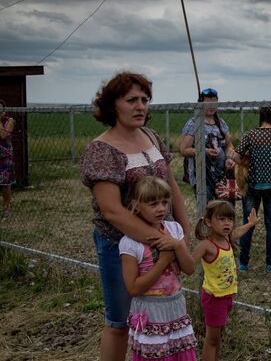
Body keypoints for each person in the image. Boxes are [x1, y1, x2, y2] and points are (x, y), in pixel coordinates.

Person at [80, 72, 190, 361]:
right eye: (131, 100)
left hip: (163, 243)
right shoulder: (102, 150)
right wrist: (163, 242)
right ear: (112, 105)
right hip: (121, 247)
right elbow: (112, 210)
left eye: (145, 99)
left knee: (156, 316)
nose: (141, 106)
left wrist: (184, 236)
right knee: (120, 321)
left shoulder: (151, 136)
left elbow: (172, 185)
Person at [118, 177, 196, 361]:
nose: (161, 208)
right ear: (136, 206)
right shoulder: (129, 244)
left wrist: (178, 246)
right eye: (153, 204)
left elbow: (190, 268)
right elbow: (133, 288)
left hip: (176, 308)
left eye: (164, 202)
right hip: (150, 313)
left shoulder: (174, 230)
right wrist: (163, 261)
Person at [192, 200, 259, 361]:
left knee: (217, 337)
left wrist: (250, 224)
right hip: (214, 298)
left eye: (230, 219)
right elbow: (188, 263)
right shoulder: (207, 245)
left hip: (226, 297)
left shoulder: (226, 239)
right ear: (208, 221)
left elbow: (238, 232)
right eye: (221, 219)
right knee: (212, 339)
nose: (227, 223)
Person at [231, 106, 271, 273]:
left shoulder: (250, 135)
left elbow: (235, 156)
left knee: (248, 222)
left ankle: (243, 263)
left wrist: (247, 162)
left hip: (253, 185)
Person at [180, 88, 236, 204]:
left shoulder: (221, 123)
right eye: (208, 102)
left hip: (223, 175)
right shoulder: (194, 123)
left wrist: (230, 158)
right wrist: (203, 151)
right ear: (201, 103)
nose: (211, 106)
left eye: (214, 102)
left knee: (226, 209)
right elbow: (184, 150)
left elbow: (229, 145)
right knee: (207, 211)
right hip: (202, 177)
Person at [0, 100, 16, 218]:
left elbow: (3, 135)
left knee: (5, 183)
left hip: (5, 156)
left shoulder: (9, 121)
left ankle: (7, 208)